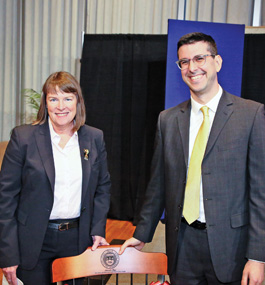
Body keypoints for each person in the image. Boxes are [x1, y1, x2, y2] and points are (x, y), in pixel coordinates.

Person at [119, 32, 265, 284]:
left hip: (231, 248)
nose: (192, 67)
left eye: (199, 58)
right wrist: (142, 232)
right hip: (182, 244)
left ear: (217, 62)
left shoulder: (251, 115)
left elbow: (260, 193)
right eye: (184, 62)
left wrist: (258, 257)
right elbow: (158, 184)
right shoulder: (168, 119)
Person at [0, 71, 111, 285]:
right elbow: (5, 200)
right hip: (33, 241)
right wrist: (8, 255)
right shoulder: (23, 138)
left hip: (77, 239)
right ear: (46, 103)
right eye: (53, 99)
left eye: (68, 98)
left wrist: (98, 229)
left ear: (77, 102)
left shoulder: (94, 138)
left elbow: (102, 187)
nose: (61, 106)